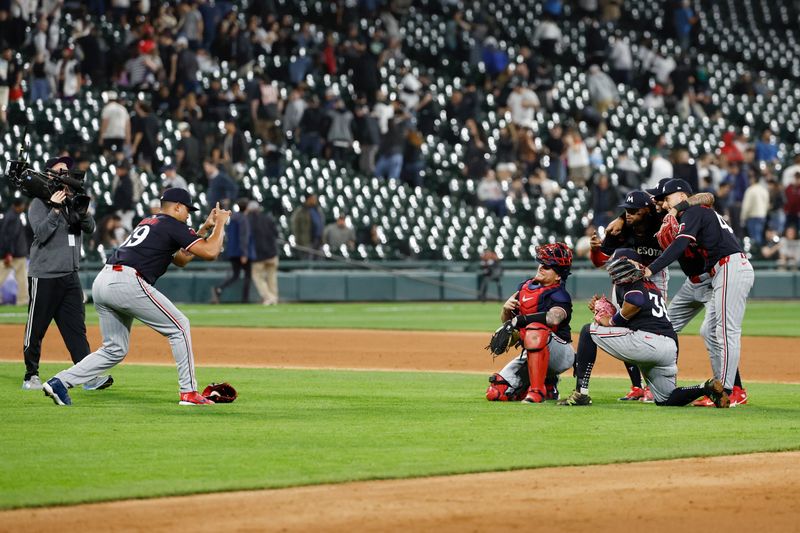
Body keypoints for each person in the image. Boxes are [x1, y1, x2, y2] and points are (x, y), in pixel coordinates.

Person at [42, 188, 232, 406]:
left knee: (114, 349)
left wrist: (205, 228)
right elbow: (210, 252)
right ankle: (188, 393)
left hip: (104, 280)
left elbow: (181, 259)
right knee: (180, 326)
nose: (188, 215)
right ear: (177, 207)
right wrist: (220, 224)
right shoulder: (173, 225)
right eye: (187, 210)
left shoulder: (150, 222)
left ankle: (60, 382)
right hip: (127, 281)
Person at [558, 250, 728, 407]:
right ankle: (705, 387)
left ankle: (581, 393)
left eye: (622, 261)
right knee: (666, 399)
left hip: (647, 342)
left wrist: (609, 321)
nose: (618, 265)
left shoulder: (630, 282)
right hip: (669, 346)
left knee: (588, 331)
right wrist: (612, 312)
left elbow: (636, 300)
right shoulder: (651, 285)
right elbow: (635, 311)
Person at [644, 179, 755, 403]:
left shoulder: (693, 211)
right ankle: (722, 388)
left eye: (667, 198)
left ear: (682, 197)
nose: (664, 204)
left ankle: (726, 390)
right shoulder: (689, 212)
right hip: (719, 271)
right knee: (710, 331)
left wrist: (651, 269)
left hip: (728, 266)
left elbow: (680, 243)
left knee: (725, 331)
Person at [22, 156, 111, 392]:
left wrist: (81, 210)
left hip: (70, 276)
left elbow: (90, 228)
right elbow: (41, 234)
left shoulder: (73, 201)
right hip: (45, 275)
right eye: (60, 170)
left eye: (67, 170)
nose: (65, 173)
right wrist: (54, 209)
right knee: (37, 328)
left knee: (76, 329)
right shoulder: (38, 203)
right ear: (48, 174)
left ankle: (87, 376)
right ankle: (30, 375)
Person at [485, 243, 576, 404]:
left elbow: (554, 319)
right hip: (532, 353)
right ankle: (547, 387)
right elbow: (508, 323)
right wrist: (506, 310)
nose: (541, 267)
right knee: (496, 392)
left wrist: (521, 320)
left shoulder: (560, 295)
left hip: (560, 353)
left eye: (548, 266)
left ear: (558, 276)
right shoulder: (525, 288)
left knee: (535, 329)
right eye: (541, 263)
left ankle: (537, 391)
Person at [212, 198, 252, 304]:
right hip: (241, 252)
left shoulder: (233, 217)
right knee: (248, 275)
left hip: (232, 251)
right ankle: (245, 299)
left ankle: (219, 288)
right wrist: (244, 253)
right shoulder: (243, 219)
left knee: (235, 275)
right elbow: (244, 236)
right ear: (247, 207)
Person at [247, 201, 280, 305]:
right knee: (272, 277)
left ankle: (269, 297)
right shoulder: (267, 218)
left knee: (257, 277)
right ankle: (274, 298)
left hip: (258, 256)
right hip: (272, 253)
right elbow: (276, 233)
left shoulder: (248, 221)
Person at [0, 198, 30, 306]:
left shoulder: (9, 216)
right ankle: (22, 301)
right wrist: (9, 253)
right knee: (22, 279)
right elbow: (9, 237)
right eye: (22, 205)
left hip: (11, 253)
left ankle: (22, 301)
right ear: (18, 206)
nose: (23, 208)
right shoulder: (13, 218)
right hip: (15, 254)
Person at [290, 194, 325, 260]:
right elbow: (295, 226)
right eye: (313, 199)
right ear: (308, 199)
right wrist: (299, 240)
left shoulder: (318, 210)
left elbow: (321, 223)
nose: (315, 200)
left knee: (319, 260)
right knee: (308, 260)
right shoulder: (301, 211)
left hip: (318, 239)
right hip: (306, 240)